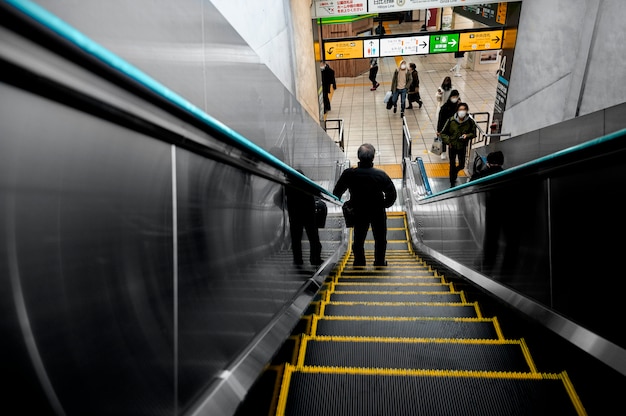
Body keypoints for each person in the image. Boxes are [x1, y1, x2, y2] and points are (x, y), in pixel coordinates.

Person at [333, 144, 397, 267]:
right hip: (377, 211)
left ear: (358, 157)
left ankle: (359, 262)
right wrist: (384, 204)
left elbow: (337, 192)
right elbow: (392, 194)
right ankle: (379, 262)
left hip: (358, 210)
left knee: (358, 238)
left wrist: (343, 203)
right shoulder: (380, 175)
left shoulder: (349, 174)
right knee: (380, 238)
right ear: (373, 158)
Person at [285, 169, 323, 266]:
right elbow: (319, 193)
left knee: (296, 240)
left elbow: (275, 199)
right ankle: (315, 259)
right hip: (309, 216)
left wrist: (287, 207)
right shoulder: (308, 184)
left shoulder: (287, 186)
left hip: (294, 216)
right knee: (313, 238)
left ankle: (298, 261)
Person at [440, 102, 477, 188]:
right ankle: (452, 180)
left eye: (464, 109)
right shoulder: (451, 120)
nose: (462, 111)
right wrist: (448, 141)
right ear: (457, 111)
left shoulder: (470, 122)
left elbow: (474, 133)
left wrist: (467, 136)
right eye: (460, 109)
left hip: (462, 146)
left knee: (461, 164)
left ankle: (454, 173)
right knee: (452, 164)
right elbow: (443, 133)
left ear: (467, 111)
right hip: (452, 146)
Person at [436, 89, 461, 160]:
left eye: (456, 97)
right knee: (444, 140)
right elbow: (440, 119)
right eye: (454, 97)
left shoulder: (458, 107)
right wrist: (438, 130)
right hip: (445, 126)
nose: (455, 99)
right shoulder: (445, 107)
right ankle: (443, 152)